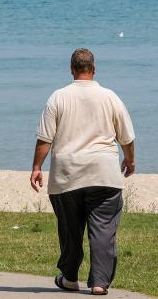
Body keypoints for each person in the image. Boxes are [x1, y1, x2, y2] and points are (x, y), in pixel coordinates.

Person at [30, 48, 135, 296]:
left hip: (67, 174)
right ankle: (99, 283)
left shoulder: (58, 97)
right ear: (94, 69)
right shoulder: (110, 97)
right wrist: (130, 160)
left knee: (69, 229)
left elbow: (45, 138)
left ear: (71, 70)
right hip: (104, 172)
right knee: (103, 230)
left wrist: (36, 167)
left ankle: (69, 277)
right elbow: (127, 137)